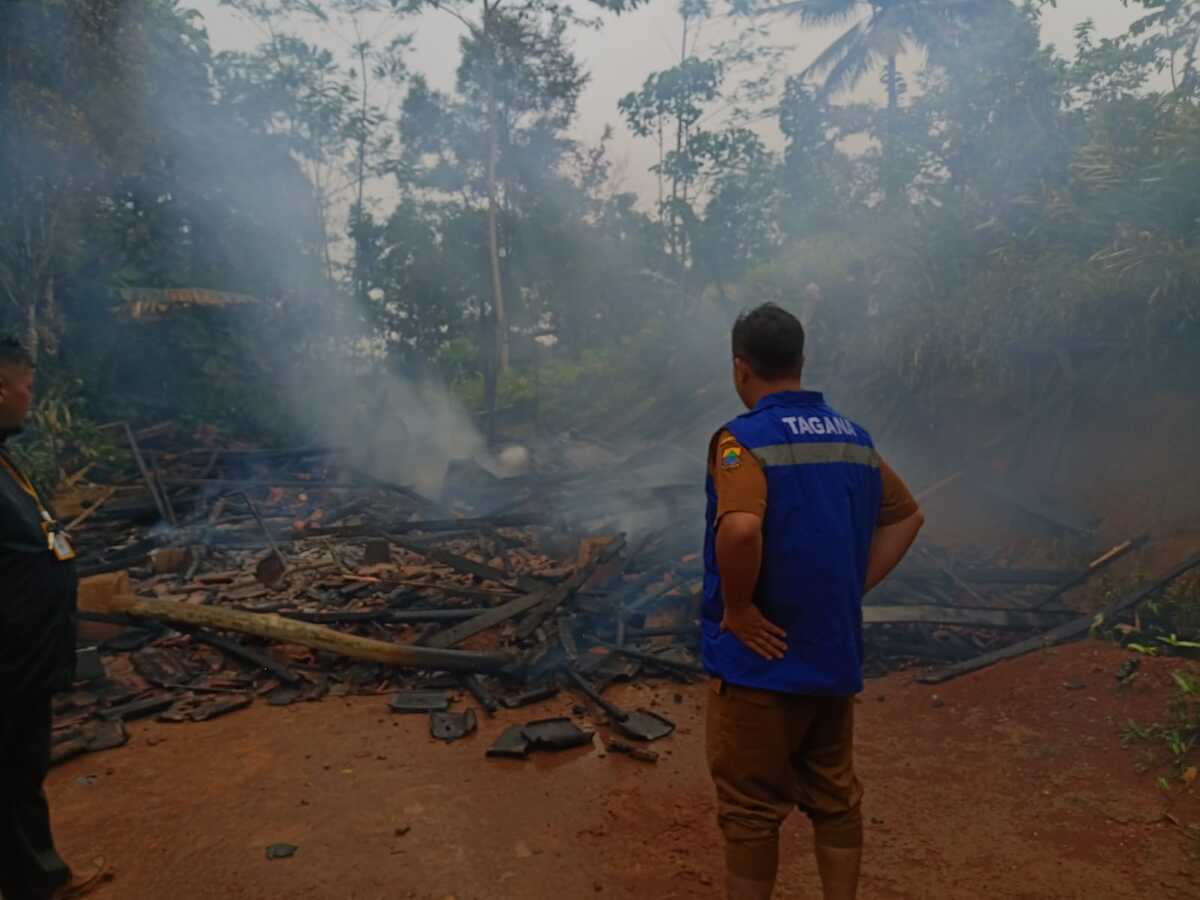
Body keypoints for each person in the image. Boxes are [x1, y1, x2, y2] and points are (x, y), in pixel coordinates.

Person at [702, 304, 925, 900]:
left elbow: (742, 529)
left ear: (740, 367)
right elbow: (907, 517)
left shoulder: (741, 441)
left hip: (759, 666)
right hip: (831, 657)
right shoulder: (854, 439)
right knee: (834, 798)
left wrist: (741, 610)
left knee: (751, 810)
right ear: (801, 362)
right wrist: (848, 588)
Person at [0, 337, 102, 900]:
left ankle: (31, 874)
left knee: (22, 765)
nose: (29, 399)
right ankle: (38, 881)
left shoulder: (5, 454)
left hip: (25, 653)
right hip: (8, 657)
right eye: (27, 387)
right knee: (12, 770)